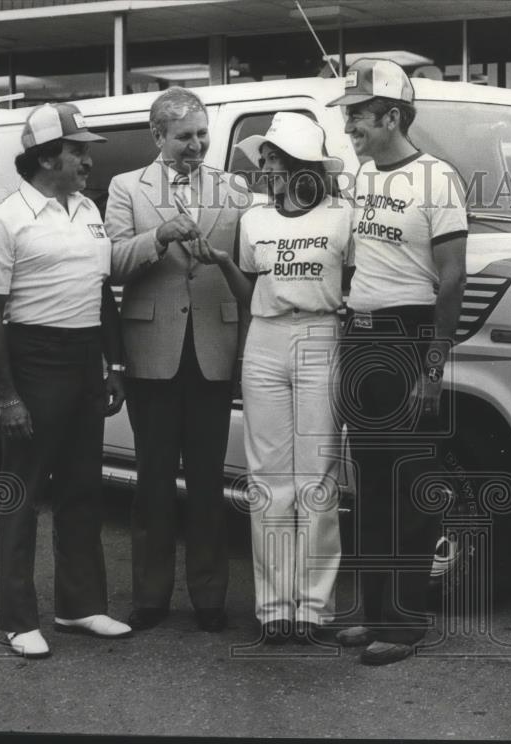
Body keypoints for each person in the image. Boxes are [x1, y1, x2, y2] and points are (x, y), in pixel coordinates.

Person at [0, 102, 131, 659]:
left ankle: (80, 605)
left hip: (84, 355)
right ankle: (17, 619)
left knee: (81, 488)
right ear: (46, 158)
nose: (88, 160)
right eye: (78, 150)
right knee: (21, 493)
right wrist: (7, 393)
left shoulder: (88, 208)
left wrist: (113, 365)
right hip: (33, 357)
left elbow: (100, 292)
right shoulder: (5, 221)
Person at [327, 59, 468, 665]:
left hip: (410, 339)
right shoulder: (359, 177)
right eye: (349, 113)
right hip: (362, 336)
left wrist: (432, 368)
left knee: (410, 488)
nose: (350, 121)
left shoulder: (438, 180)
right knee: (373, 487)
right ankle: (372, 614)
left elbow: (454, 278)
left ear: (392, 116)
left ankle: (404, 627)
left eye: (359, 113)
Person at [104, 86, 250, 633]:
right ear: (158, 136)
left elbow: (248, 262)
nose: (197, 146)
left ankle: (210, 599)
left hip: (214, 350)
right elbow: (113, 263)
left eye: (203, 135)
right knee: (154, 481)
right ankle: (150, 596)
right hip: (151, 354)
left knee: (210, 482)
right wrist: (158, 236)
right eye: (184, 136)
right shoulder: (126, 188)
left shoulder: (234, 188)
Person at [206, 112, 351, 645]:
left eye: (268, 158)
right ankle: (273, 607)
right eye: (263, 158)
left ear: (297, 164)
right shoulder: (255, 221)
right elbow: (251, 292)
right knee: (268, 478)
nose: (261, 167)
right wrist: (224, 264)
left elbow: (352, 290)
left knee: (316, 477)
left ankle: (314, 605)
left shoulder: (342, 218)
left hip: (320, 335)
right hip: (265, 340)